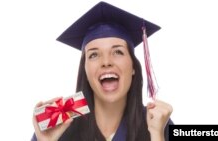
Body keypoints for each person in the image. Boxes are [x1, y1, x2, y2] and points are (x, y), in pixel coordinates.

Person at [32, 1, 173, 141]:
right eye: (94, 55)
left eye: (118, 52)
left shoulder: (160, 125)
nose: (106, 62)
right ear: (85, 71)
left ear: (133, 67)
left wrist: (157, 135)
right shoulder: (58, 130)